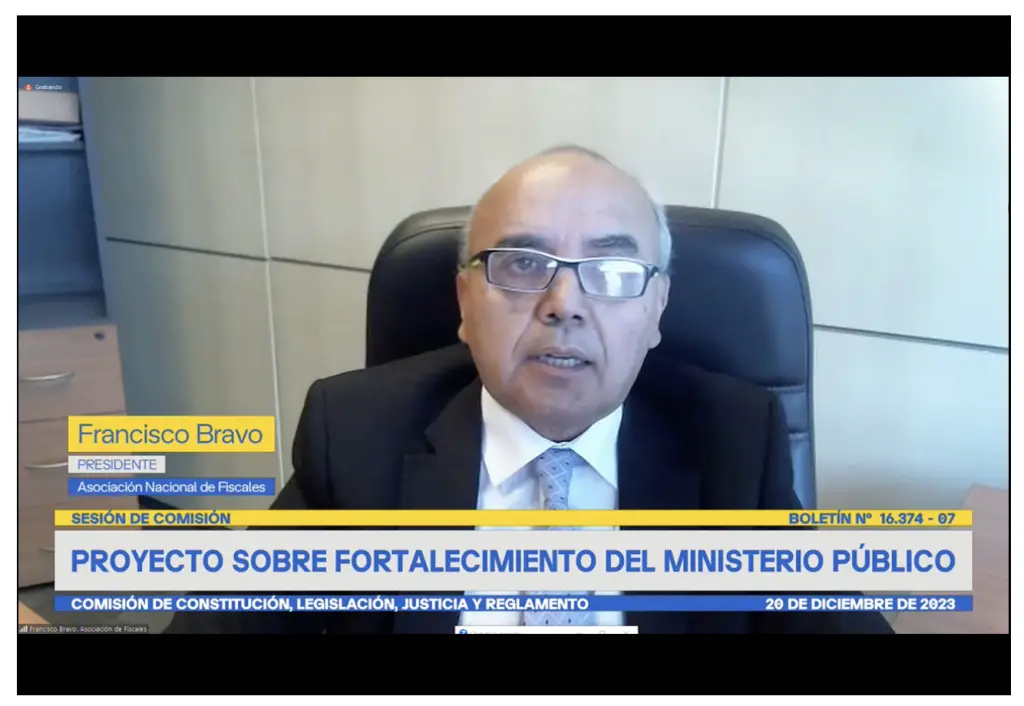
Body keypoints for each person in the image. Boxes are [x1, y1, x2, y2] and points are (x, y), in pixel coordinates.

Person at [166, 145, 893, 634]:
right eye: (521, 264)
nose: (563, 304)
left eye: (611, 272)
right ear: (463, 302)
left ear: (656, 311)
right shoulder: (356, 433)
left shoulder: (734, 444)